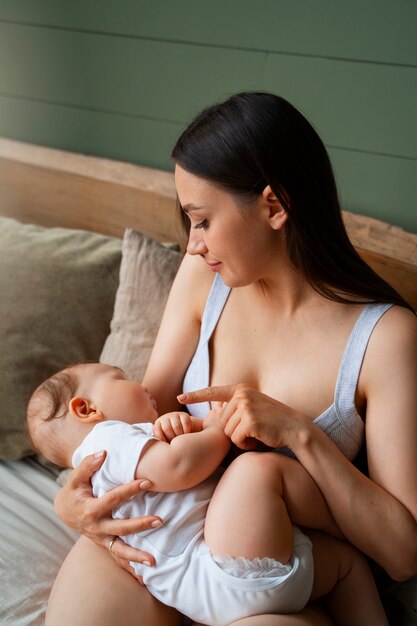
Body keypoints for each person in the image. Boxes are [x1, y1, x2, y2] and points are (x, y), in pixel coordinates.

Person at [46, 92, 417, 626]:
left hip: (271, 577)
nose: (192, 245)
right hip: (165, 543)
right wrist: (72, 502)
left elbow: (404, 555)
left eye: (201, 220)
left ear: (273, 205)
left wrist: (298, 432)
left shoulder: (385, 339)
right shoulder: (205, 279)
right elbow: (141, 423)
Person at [28, 361, 388, 626]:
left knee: (345, 565)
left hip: (202, 599)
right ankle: (342, 524)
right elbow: (180, 468)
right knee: (257, 471)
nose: (139, 382)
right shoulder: (107, 440)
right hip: (221, 563)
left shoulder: (112, 464)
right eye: (121, 377)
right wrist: (215, 429)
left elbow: (172, 477)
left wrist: (183, 428)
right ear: (86, 409)